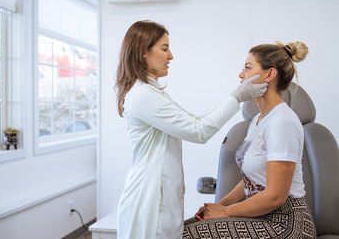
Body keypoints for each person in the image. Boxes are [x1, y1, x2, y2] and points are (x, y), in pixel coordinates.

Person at [115, 20, 268, 239]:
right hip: (148, 200)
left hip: (157, 195)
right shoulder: (143, 96)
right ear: (143, 53)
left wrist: (237, 97)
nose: (171, 56)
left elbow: (196, 121)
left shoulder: (151, 93)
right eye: (165, 48)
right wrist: (237, 96)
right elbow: (199, 131)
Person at [183, 41, 317, 239]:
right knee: (178, 230)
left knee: (188, 235)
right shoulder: (258, 120)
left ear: (270, 74)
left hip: (286, 223)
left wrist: (226, 212)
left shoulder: (282, 122)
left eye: (247, 67)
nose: (241, 75)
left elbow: (276, 196)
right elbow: (249, 183)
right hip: (260, 215)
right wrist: (220, 205)